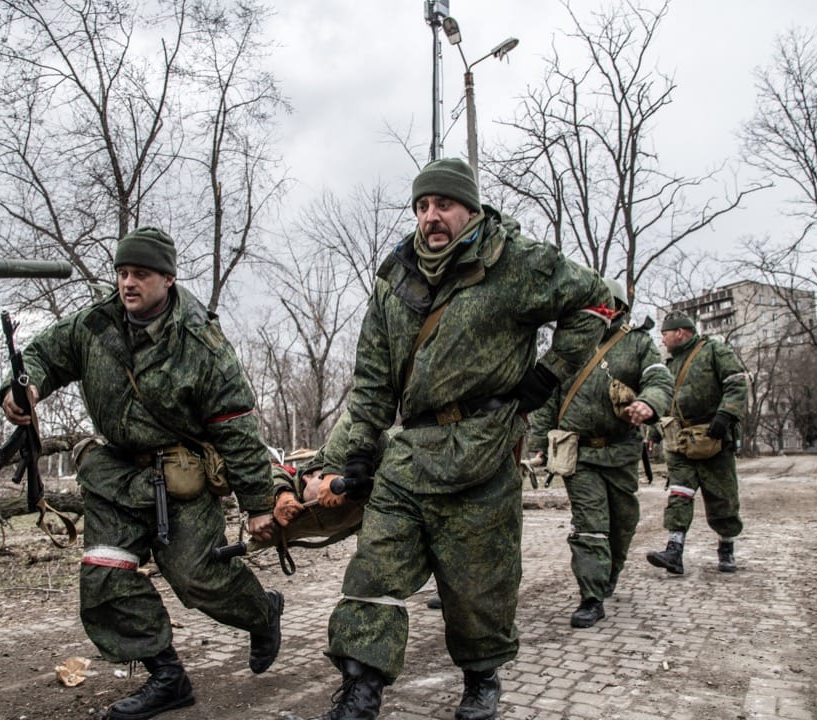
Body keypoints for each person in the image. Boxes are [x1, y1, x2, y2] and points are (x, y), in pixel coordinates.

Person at [298, 158, 611, 720]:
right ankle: (360, 694)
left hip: (483, 450)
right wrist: (358, 451)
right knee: (373, 573)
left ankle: (482, 675)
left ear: (469, 208)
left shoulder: (514, 262)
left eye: (443, 204)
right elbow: (372, 383)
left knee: (477, 590)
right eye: (422, 206)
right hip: (409, 455)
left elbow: (599, 301)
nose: (431, 217)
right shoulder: (394, 281)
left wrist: (549, 373)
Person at [0, 226, 282, 720]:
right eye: (123, 273)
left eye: (141, 274)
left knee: (198, 578)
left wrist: (259, 505)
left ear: (168, 279)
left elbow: (235, 426)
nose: (128, 283)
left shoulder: (201, 343)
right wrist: (25, 389)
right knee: (106, 576)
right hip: (116, 474)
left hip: (181, 475)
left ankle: (263, 614)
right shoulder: (96, 323)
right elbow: (46, 354)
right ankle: (167, 676)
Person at [526, 279, 673, 628]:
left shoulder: (637, 343)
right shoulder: (571, 344)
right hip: (580, 455)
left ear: (618, 308)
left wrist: (648, 403)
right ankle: (591, 596)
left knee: (622, 523)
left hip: (621, 451)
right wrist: (539, 445)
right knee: (591, 526)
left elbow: (659, 380)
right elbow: (549, 397)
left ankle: (609, 575)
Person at [645, 310, 748, 576]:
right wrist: (655, 434)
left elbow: (736, 383)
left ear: (680, 332)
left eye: (665, 334)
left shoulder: (714, 350)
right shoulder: (670, 364)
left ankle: (726, 549)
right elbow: (666, 401)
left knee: (722, 497)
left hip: (713, 437)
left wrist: (725, 415)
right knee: (679, 493)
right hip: (679, 439)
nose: (663, 339)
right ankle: (674, 551)